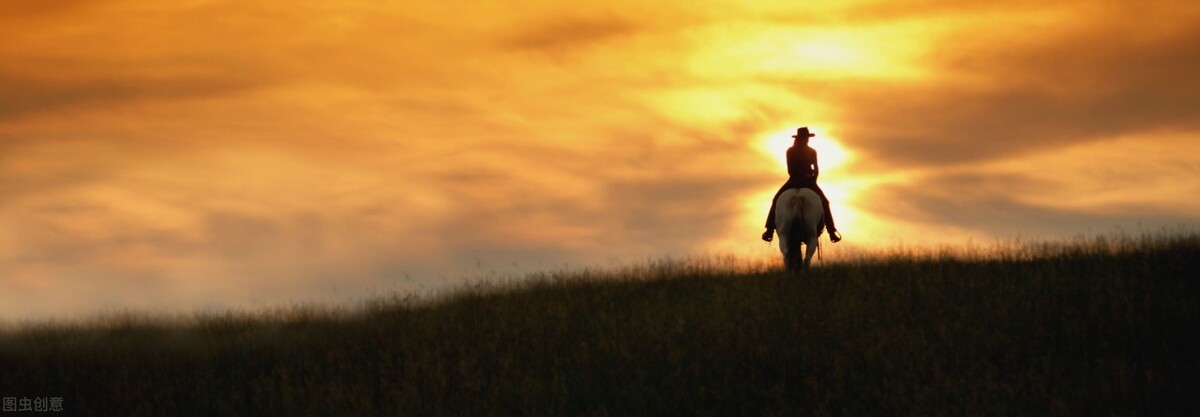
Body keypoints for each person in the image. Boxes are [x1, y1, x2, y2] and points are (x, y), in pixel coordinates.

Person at [761, 126, 842, 243]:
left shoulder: (790, 151)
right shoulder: (812, 151)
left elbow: (790, 170)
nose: (807, 140)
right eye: (806, 138)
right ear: (803, 138)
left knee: (776, 200)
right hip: (808, 180)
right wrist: (813, 180)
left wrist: (800, 176)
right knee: (825, 202)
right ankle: (832, 232)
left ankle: (769, 230)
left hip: (793, 180)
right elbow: (816, 169)